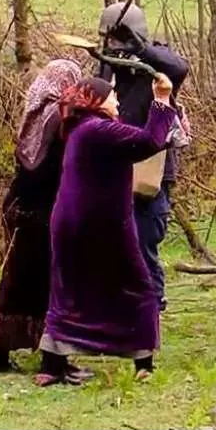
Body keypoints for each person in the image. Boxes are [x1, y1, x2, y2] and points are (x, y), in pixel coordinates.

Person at [35, 74, 177, 387]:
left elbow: (140, 143)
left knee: (69, 292)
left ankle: (52, 365)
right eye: (112, 95)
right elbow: (148, 142)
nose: (118, 100)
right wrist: (162, 100)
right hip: (100, 224)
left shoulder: (80, 129)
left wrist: (165, 126)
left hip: (71, 221)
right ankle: (144, 363)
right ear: (96, 101)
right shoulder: (97, 129)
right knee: (138, 287)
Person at [0, 60, 82, 375]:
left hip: (20, 205)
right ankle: (55, 360)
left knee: (18, 281)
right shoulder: (59, 116)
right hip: (43, 209)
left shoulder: (36, 111)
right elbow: (59, 166)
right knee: (53, 283)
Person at [96, 1, 189, 312]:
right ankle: (121, 307)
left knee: (145, 241)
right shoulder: (109, 65)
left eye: (119, 38)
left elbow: (179, 69)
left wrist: (141, 49)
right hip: (117, 165)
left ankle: (151, 307)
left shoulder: (157, 61)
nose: (114, 45)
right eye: (110, 38)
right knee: (115, 241)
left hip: (152, 170)